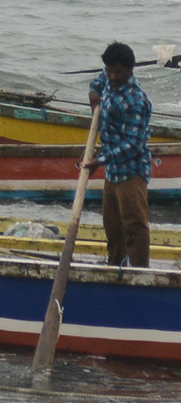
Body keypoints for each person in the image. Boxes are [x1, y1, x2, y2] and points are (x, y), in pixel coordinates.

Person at [85, 42, 152, 268]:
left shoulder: (136, 101)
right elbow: (98, 82)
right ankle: (115, 268)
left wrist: (99, 160)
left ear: (130, 70)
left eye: (118, 72)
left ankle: (140, 273)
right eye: (110, 70)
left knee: (134, 225)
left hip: (130, 172)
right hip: (112, 171)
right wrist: (94, 95)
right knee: (112, 226)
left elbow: (132, 145)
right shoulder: (108, 78)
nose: (113, 76)